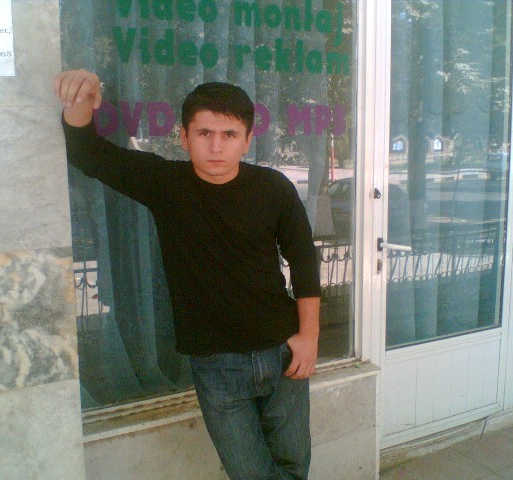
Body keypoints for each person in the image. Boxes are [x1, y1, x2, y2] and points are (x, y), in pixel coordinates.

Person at [55, 69, 321, 480]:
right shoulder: (165, 183)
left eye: (229, 134)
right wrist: (81, 98)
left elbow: (303, 261)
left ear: (248, 139)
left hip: (282, 351)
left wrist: (309, 338)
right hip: (217, 364)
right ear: (184, 137)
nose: (216, 146)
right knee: (251, 474)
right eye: (204, 133)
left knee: (293, 466)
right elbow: (87, 153)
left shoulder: (273, 187)